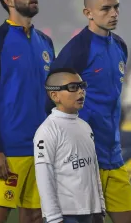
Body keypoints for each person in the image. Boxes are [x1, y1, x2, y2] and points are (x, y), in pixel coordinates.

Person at [49, 0, 131, 223]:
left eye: (116, 7)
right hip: (83, 158)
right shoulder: (78, 49)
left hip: (113, 154)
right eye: (106, 9)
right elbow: (52, 94)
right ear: (88, 12)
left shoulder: (119, 45)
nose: (114, 13)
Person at [0, 0, 54, 223]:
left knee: (34, 216)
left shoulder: (46, 42)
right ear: (8, 0)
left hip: (42, 148)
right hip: (10, 150)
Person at [34, 68, 105, 223]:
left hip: (90, 212)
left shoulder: (85, 126)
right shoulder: (47, 130)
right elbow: (44, 176)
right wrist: (53, 218)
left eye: (82, 86)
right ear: (55, 95)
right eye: (73, 87)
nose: (81, 92)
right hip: (65, 215)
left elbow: (93, 170)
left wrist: (100, 206)